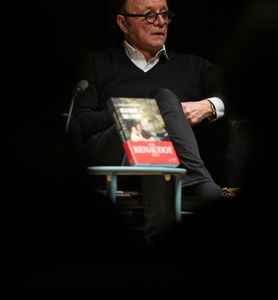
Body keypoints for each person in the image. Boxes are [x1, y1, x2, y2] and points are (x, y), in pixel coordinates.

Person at [72, 0, 239, 242]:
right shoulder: (96, 63)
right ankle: (203, 185)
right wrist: (143, 109)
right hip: (110, 158)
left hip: (166, 168)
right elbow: (82, 123)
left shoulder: (192, 66)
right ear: (123, 22)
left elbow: (243, 90)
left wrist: (210, 106)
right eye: (149, 16)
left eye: (164, 14)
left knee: (158, 150)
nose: (160, 22)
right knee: (162, 99)